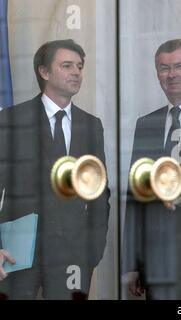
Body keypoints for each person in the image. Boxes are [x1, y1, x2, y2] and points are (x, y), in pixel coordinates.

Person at [0, 39, 110, 299]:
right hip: (17, 253)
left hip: (73, 256)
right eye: (67, 65)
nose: (76, 72)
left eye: (80, 67)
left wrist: (92, 252)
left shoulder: (91, 125)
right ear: (44, 72)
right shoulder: (11, 120)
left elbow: (99, 194)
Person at [123, 39, 181, 300]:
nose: (171, 74)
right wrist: (132, 263)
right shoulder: (146, 124)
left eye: (179, 66)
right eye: (164, 68)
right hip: (156, 263)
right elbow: (135, 196)